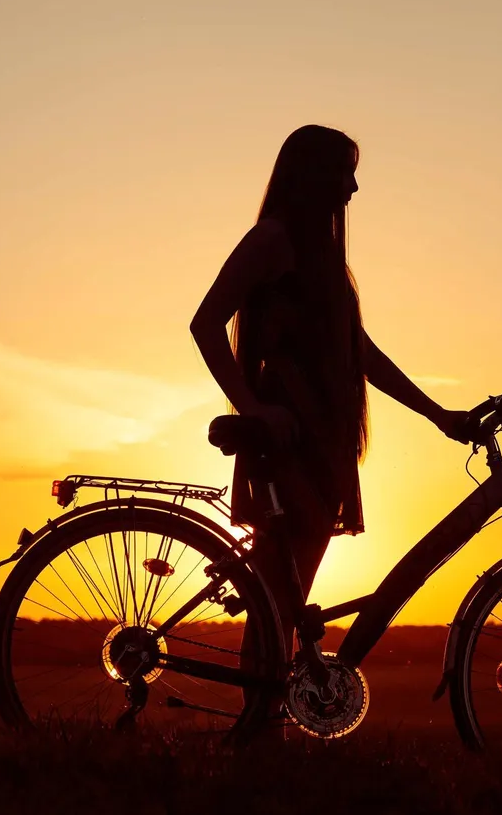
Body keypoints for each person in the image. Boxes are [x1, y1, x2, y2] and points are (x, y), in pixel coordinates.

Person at [190, 124, 469, 656]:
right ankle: (262, 728)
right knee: (277, 604)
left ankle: (267, 723)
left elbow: (357, 351)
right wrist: (255, 409)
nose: (353, 190)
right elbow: (205, 323)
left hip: (323, 438)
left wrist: (438, 415)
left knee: (287, 603)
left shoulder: (320, 255)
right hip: (288, 435)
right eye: (346, 174)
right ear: (314, 175)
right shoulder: (273, 240)